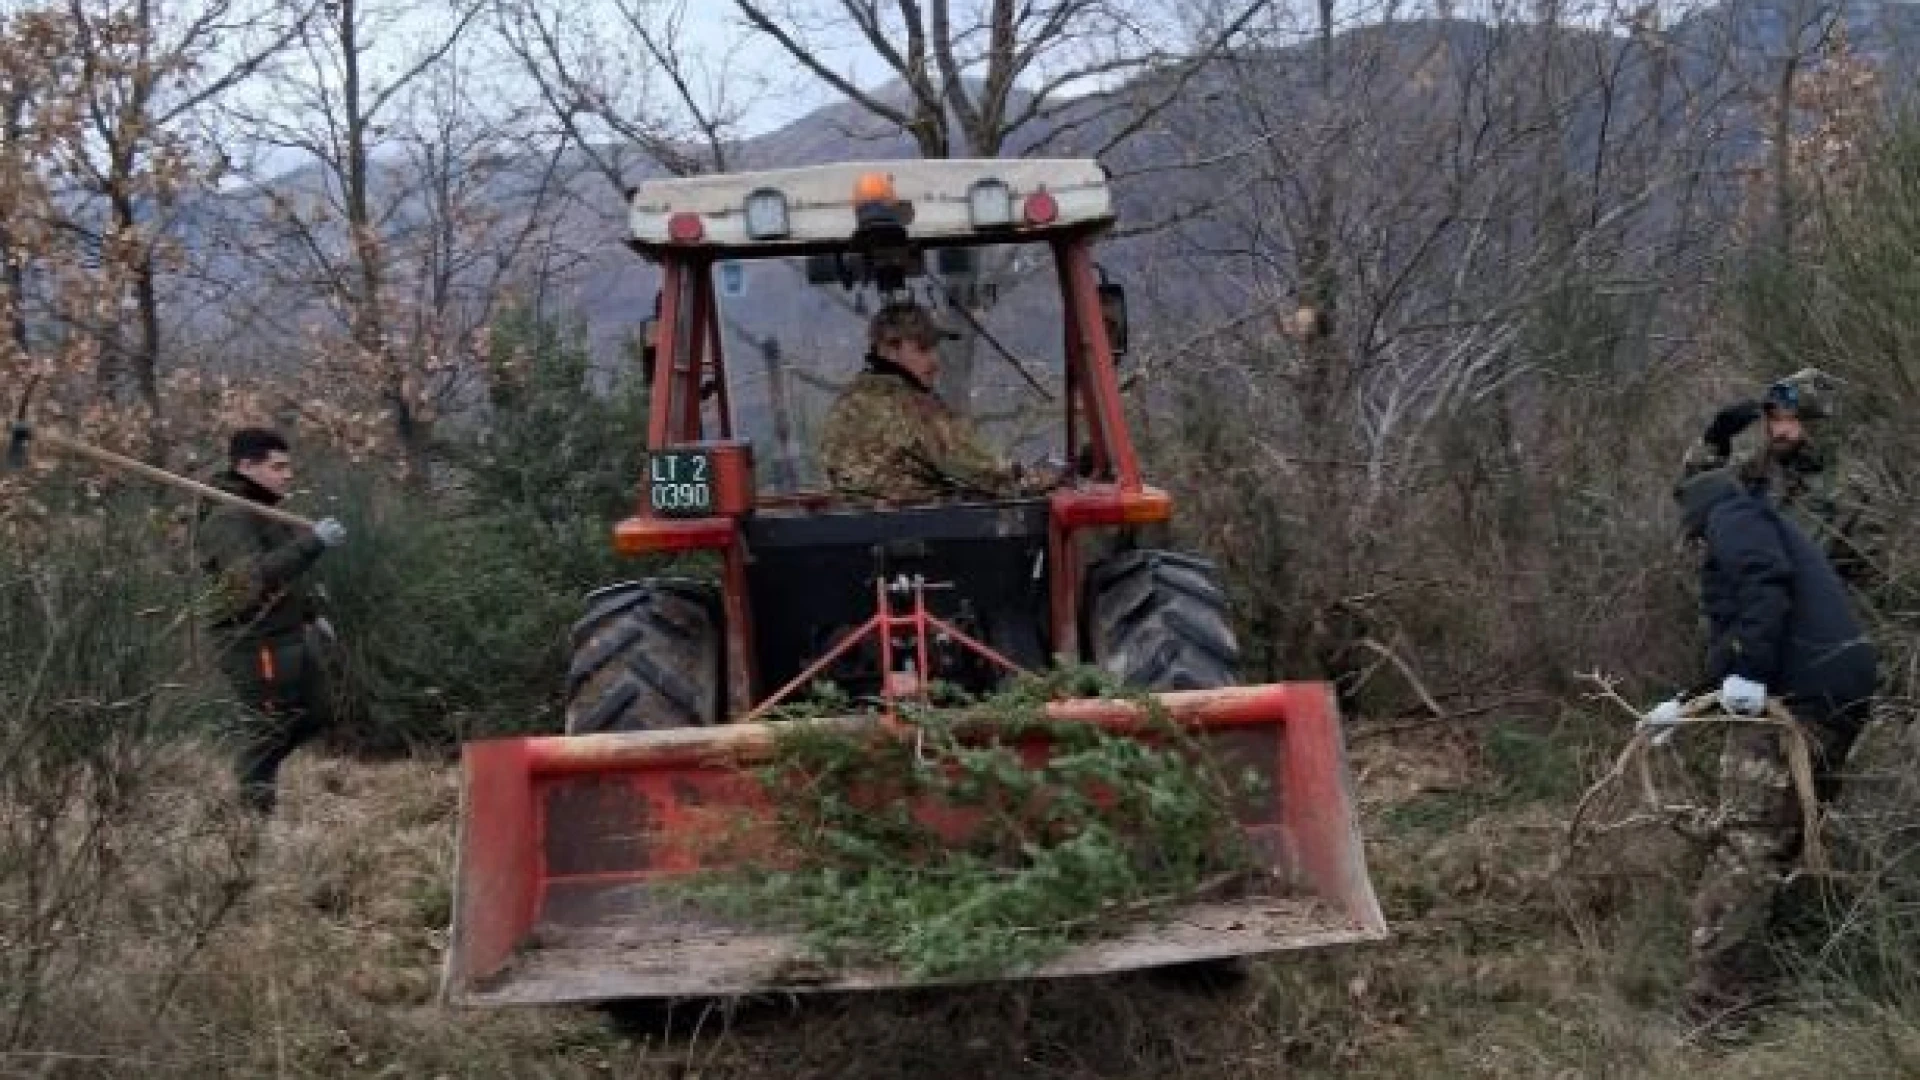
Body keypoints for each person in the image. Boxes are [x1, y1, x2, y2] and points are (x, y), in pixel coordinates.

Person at [1643, 466, 1878, 1031]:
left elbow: (1761, 583)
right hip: (1838, 697)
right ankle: (1762, 992)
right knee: (1779, 847)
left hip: (1797, 701)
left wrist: (1747, 670)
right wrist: (1687, 700)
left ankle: (1715, 1015)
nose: (1698, 549)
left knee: (1745, 848)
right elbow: (1748, 623)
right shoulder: (1765, 521)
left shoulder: (1734, 514)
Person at [198, 427, 348, 814]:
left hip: (287, 633)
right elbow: (249, 581)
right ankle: (251, 825)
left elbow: (286, 574)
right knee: (268, 731)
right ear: (246, 466)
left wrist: (312, 614)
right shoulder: (227, 518)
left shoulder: (264, 510)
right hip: (253, 640)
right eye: (278, 467)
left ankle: (254, 782)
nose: (287, 475)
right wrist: (313, 543)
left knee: (317, 714)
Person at [819, 302, 1040, 503]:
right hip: (919, 526)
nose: (934, 361)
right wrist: (1029, 477)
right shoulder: (911, 404)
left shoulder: (847, 401)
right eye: (923, 349)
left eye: (935, 349)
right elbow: (976, 466)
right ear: (889, 350)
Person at [1684, 369, 1881, 592]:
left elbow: (1875, 585)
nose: (1777, 431)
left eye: (1789, 419)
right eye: (1773, 419)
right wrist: (1714, 442)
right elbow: (1696, 504)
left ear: (1816, 423)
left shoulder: (1853, 491)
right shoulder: (1759, 470)